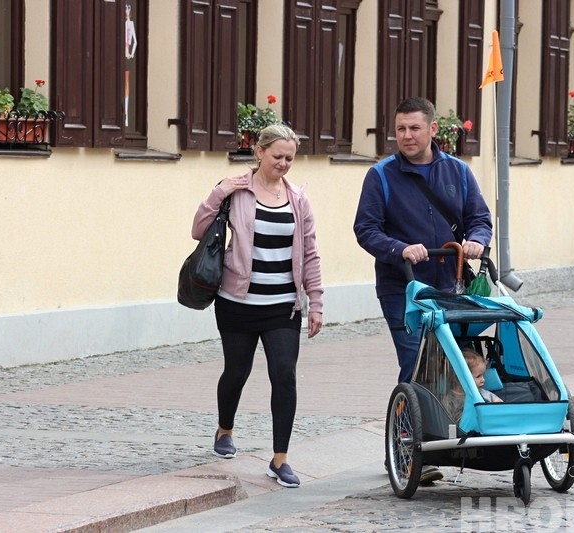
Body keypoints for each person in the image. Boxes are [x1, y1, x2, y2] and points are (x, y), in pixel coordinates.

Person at [353, 96, 493, 484]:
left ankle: (445, 436)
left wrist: (478, 240)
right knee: (416, 360)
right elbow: (366, 229)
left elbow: (479, 219)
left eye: (415, 128)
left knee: (450, 360)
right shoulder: (381, 176)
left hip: (450, 284)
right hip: (402, 287)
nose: (407, 136)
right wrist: (399, 248)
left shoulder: (458, 173)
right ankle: (407, 450)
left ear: (433, 129)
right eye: (400, 129)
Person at [190, 124, 323, 488]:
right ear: (259, 152)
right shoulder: (236, 192)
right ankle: (224, 429)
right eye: (277, 156)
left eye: (290, 159)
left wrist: (316, 303)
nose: (283, 164)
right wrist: (218, 193)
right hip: (237, 301)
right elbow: (198, 229)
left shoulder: (298, 199)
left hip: (283, 306)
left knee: (284, 374)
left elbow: (310, 252)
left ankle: (280, 458)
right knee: (237, 371)